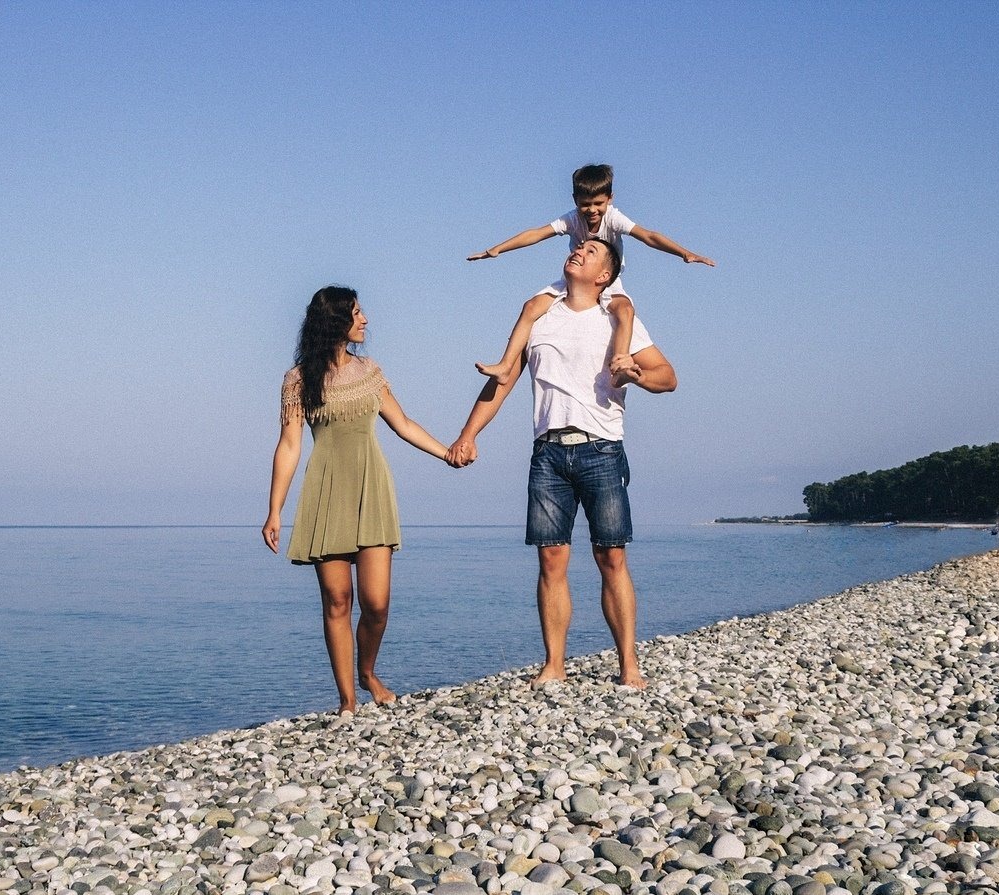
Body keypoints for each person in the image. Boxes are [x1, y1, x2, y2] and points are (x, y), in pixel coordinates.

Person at [447, 238, 677, 688]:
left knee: (611, 557)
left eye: (592, 253)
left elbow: (668, 377)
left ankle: (629, 665)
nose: (579, 252)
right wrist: (468, 434)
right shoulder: (540, 316)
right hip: (548, 453)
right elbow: (504, 381)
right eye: (579, 249)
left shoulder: (617, 319)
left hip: (602, 449)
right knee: (551, 559)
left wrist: (638, 375)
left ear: (604, 276)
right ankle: (554, 665)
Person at [263, 286, 451, 715]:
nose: (365, 320)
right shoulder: (298, 380)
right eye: (357, 313)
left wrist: (446, 453)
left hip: (371, 488)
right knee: (336, 601)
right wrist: (274, 509)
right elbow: (289, 445)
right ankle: (347, 700)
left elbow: (402, 423)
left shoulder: (370, 372)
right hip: (326, 491)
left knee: (377, 604)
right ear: (335, 322)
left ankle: (367, 671)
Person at [467, 163, 713, 386]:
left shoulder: (614, 218)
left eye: (598, 204)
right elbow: (537, 233)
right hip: (575, 280)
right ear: (575, 200)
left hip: (608, 281)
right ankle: (505, 365)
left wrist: (684, 253)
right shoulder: (573, 220)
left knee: (625, 311)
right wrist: (498, 248)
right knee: (531, 306)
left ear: (610, 199)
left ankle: (620, 363)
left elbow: (648, 236)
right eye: (585, 204)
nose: (592, 210)